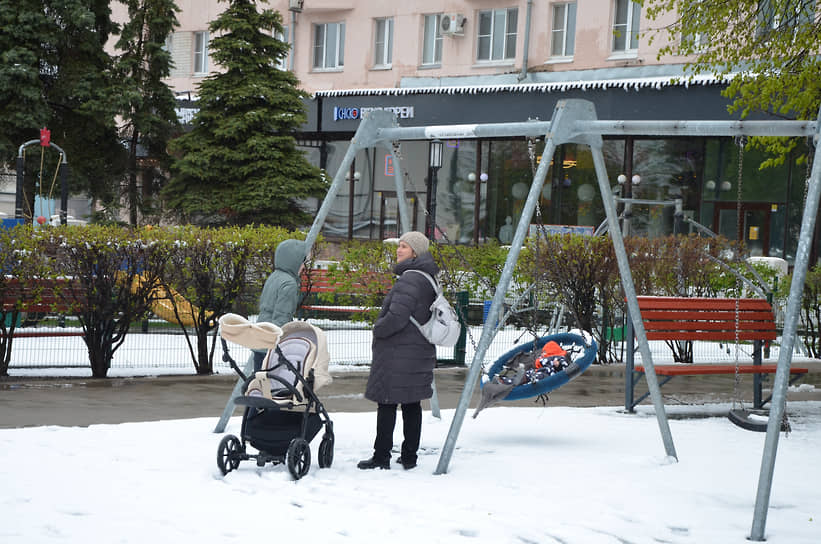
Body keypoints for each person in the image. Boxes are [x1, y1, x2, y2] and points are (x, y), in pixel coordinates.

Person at [358, 231, 438, 470]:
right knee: (412, 404)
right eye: (399, 246)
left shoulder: (410, 279)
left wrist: (378, 329)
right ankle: (409, 457)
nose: (398, 250)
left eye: (404, 246)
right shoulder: (427, 277)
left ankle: (381, 456)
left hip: (398, 352)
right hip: (417, 350)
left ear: (415, 252)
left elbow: (397, 317)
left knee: (387, 403)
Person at [253, 239, 306, 371]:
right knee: (272, 384)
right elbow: (282, 316)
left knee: (259, 382)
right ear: (293, 261)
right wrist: (280, 344)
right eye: (302, 262)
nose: (303, 266)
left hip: (260, 338)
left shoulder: (274, 277)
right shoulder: (289, 284)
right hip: (271, 346)